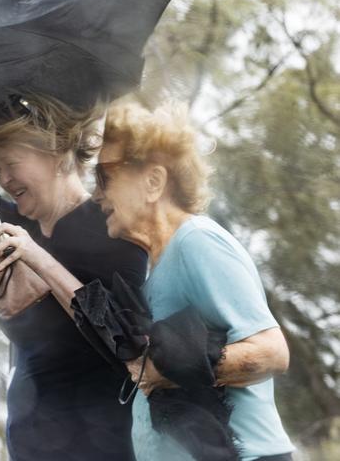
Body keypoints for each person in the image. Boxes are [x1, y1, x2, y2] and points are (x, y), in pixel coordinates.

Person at [0, 40, 147, 460]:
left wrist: (38, 259)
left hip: (102, 444)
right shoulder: (12, 225)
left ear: (57, 152)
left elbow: (127, 341)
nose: (2, 179)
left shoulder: (113, 228)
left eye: (11, 163)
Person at [91, 101, 295, 461]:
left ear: (153, 181)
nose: (96, 194)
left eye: (105, 176)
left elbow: (271, 353)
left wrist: (163, 369)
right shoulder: (160, 268)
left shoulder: (196, 241)